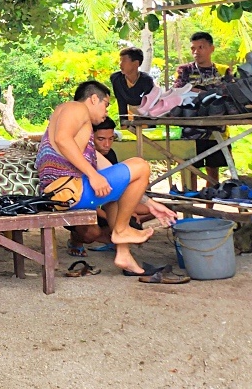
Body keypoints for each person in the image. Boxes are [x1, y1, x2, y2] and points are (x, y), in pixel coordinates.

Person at [36, 81, 176, 276]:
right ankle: (121, 230)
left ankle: (124, 255)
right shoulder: (76, 107)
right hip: (65, 191)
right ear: (94, 99)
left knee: (112, 195)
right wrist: (93, 175)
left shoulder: (84, 143)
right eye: (106, 105)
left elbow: (115, 173)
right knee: (141, 165)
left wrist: (150, 203)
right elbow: (62, 139)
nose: (106, 112)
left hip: (63, 192)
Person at [174, 31, 232, 187]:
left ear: (211, 48)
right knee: (191, 167)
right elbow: (178, 90)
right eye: (193, 48)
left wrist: (199, 92)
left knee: (213, 169)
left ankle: (210, 206)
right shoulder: (185, 70)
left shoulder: (222, 70)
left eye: (201, 47)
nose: (196, 52)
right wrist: (206, 93)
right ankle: (190, 207)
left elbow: (230, 93)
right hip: (191, 128)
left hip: (216, 128)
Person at [109, 47, 155, 123]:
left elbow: (148, 106)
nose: (120, 64)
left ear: (136, 63)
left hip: (146, 118)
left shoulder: (146, 80)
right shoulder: (116, 79)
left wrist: (145, 125)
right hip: (130, 117)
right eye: (120, 60)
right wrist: (124, 126)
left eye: (124, 61)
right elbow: (121, 103)